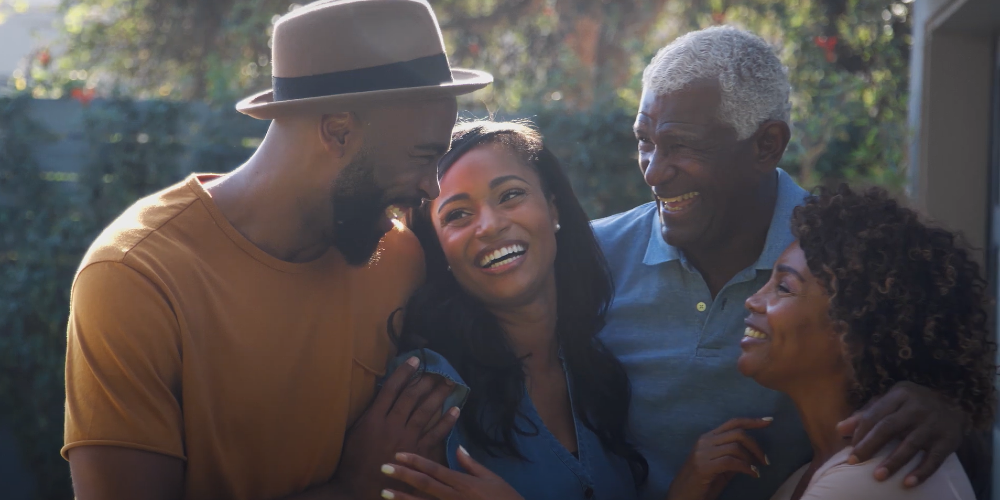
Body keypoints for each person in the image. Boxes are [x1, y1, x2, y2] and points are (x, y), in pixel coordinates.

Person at [61, 1, 492, 499]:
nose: (432, 189)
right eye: (422, 157)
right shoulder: (136, 276)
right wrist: (353, 488)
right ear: (338, 131)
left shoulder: (399, 258)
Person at [590, 26, 969, 500]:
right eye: (644, 140)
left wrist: (950, 403)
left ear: (767, 145)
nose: (653, 170)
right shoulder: (592, 257)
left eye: (681, 145)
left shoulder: (840, 261)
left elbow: (944, 354)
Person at [374, 121, 647, 500]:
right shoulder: (429, 393)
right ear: (441, 252)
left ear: (553, 208)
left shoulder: (600, 369)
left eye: (510, 195)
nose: (490, 225)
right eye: (457, 215)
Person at [693, 185, 991, 500]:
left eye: (784, 287)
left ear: (855, 329)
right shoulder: (814, 476)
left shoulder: (871, 478)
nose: (753, 300)